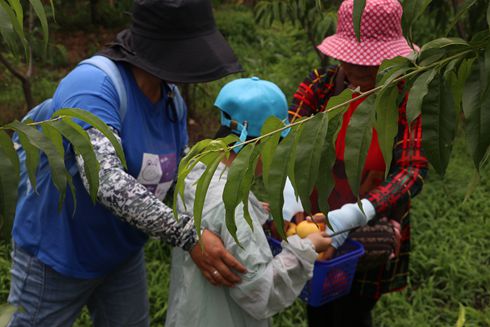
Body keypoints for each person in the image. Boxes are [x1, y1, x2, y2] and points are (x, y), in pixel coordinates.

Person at [8, 1, 247, 326]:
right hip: (57, 256)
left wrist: (232, 196)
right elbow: (104, 180)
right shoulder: (93, 86)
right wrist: (190, 236)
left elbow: (178, 169)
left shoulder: (169, 97)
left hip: (120, 255)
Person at [288, 0, 429, 326]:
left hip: (371, 226)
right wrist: (291, 204)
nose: (360, 69)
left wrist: (356, 214)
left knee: (356, 309)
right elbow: (290, 145)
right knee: (318, 306)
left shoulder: (406, 98)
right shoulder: (319, 88)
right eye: (352, 59)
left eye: (372, 62)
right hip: (316, 226)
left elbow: (412, 169)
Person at [165, 77, 333, 327]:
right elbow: (259, 292)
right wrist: (306, 247)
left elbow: (214, 216)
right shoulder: (233, 206)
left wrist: (255, 209)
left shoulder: (196, 168)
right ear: (263, 144)